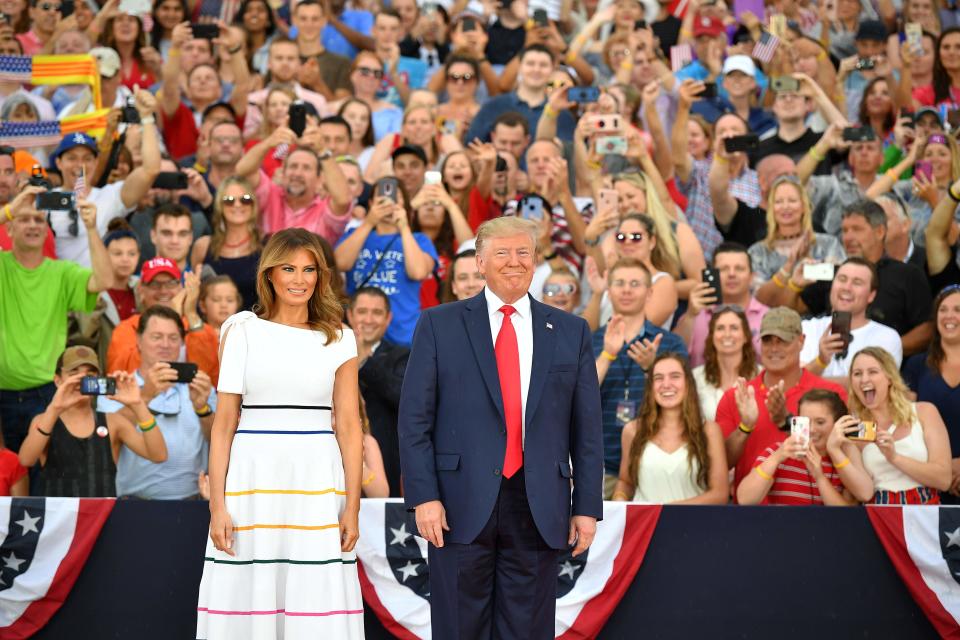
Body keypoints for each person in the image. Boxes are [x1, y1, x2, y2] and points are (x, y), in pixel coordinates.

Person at [398, 216, 602, 639]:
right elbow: (415, 420)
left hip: (538, 504)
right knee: (458, 628)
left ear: (536, 260)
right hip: (456, 505)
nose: (514, 262)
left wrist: (585, 506)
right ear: (481, 261)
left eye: (523, 252)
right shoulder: (439, 324)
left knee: (527, 630)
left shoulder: (570, 330)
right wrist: (424, 497)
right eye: (502, 253)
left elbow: (587, 430)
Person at [199, 228, 364, 638]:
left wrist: (353, 508)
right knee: (247, 592)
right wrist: (217, 506)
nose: (299, 279)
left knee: (315, 597)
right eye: (288, 268)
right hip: (252, 482)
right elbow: (223, 426)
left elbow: (348, 425)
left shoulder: (341, 338)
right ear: (269, 274)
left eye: (309, 269)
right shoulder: (242, 330)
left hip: (318, 484)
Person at [0, 191, 111, 454]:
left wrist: (92, 228)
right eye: (23, 219)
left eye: (39, 220)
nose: (32, 225)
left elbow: (104, 280)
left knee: (42, 482)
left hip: (47, 395)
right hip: (1, 394)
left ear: (48, 230)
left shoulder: (61, 272)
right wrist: (9, 208)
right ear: (9, 228)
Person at [717, 307, 848, 492]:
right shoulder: (736, 397)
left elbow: (843, 454)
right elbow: (723, 465)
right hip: (751, 513)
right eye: (767, 340)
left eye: (783, 341)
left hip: (814, 511)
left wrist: (786, 421)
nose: (774, 348)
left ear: (801, 341)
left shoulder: (831, 393)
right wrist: (745, 427)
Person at [18, 345, 168, 497]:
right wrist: (54, 408)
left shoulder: (113, 422)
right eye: (73, 373)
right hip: (62, 518)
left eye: (90, 374)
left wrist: (138, 404)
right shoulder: (45, 420)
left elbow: (158, 455)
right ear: (58, 380)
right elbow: (26, 460)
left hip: (102, 516)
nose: (82, 380)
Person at [593, 257, 688, 496]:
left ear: (649, 292)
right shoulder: (588, 339)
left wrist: (651, 369)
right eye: (620, 283)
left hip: (655, 463)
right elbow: (576, 395)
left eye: (635, 284)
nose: (626, 289)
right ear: (609, 290)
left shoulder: (669, 342)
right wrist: (607, 354)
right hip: (601, 466)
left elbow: (685, 400)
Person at [612, 353, 729, 503]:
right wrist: (619, 499)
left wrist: (666, 512)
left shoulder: (709, 431)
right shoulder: (633, 430)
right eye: (659, 378)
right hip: (645, 525)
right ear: (651, 387)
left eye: (675, 376)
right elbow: (625, 482)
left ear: (688, 383)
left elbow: (719, 494)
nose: (666, 384)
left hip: (693, 525)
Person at [334, 178, 438, 346]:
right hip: (359, 337)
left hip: (403, 338)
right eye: (381, 196)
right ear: (370, 203)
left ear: (405, 203)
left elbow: (418, 272)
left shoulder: (419, 240)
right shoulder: (355, 233)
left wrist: (404, 227)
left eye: (396, 197)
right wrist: (369, 222)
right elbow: (340, 263)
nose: (389, 201)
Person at [849, 346, 952, 504]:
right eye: (857, 374)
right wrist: (834, 448)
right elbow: (863, 493)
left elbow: (944, 480)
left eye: (872, 372)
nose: (864, 379)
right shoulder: (854, 427)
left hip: (925, 512)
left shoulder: (924, 412)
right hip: (880, 514)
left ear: (890, 378)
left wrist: (894, 457)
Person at [736, 389, 875, 505]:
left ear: (837, 424)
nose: (812, 429)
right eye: (805, 421)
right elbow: (745, 499)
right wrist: (777, 457)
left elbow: (846, 517)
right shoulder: (778, 451)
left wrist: (820, 476)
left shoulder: (844, 455)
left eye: (820, 422)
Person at [106, 257, 220, 384]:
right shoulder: (125, 330)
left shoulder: (200, 328)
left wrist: (191, 314)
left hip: (190, 403)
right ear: (141, 289)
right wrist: (169, 320)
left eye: (171, 283)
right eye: (154, 284)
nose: (164, 291)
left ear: (181, 287)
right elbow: (121, 376)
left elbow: (209, 377)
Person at [235, 132, 352, 245]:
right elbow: (242, 171)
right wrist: (269, 142)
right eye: (293, 166)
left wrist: (322, 151)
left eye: (306, 168)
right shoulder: (269, 194)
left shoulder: (324, 211)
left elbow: (343, 199)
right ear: (283, 173)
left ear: (319, 179)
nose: (297, 173)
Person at [348, 286, 409, 497]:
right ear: (349, 315)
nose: (368, 319)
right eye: (362, 312)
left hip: (388, 464)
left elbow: (404, 399)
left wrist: (364, 358)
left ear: (388, 318)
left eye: (377, 312)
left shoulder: (403, 356)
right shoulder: (331, 354)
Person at [801, 258, 903, 381]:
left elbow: (875, 387)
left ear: (871, 295)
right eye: (842, 279)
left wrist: (813, 380)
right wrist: (820, 361)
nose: (847, 288)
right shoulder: (806, 328)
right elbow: (792, 385)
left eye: (857, 282)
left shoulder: (887, 337)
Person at [903, 286, 960, 502]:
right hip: (928, 481)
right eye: (943, 309)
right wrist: (942, 467)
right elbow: (905, 422)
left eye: (957, 309)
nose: (949, 316)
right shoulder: (916, 365)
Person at [673, 242, 769, 367]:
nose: (732, 274)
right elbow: (674, 355)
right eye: (724, 269)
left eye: (739, 268)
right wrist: (690, 316)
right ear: (712, 275)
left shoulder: (767, 317)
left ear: (752, 277)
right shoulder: (696, 314)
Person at [189, 177, 262, 311]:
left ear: (253, 204)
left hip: (254, 329)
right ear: (219, 206)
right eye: (229, 201)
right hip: (212, 330)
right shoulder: (203, 246)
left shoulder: (267, 247)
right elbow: (196, 295)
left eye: (245, 199)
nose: (237, 205)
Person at [692, 306, 759, 421]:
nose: (727, 334)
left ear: (745, 337)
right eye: (720, 328)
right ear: (712, 336)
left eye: (734, 328)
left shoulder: (761, 375)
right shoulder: (695, 377)